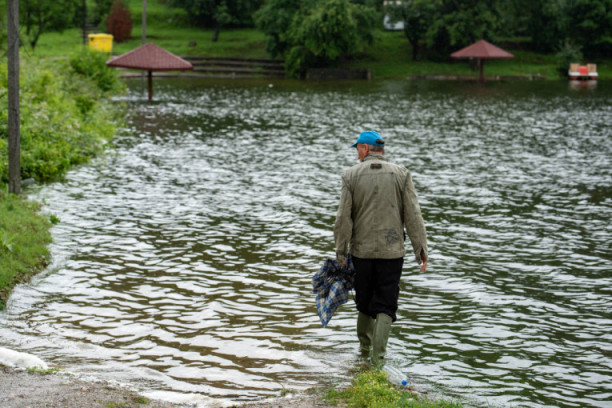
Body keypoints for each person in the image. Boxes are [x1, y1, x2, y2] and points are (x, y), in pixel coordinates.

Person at [334, 130, 428, 367]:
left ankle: (364, 354)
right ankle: (378, 362)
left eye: (358, 148)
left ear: (365, 149)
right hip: (392, 251)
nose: (357, 154)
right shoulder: (402, 174)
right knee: (386, 303)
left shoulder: (350, 175)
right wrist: (421, 250)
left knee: (364, 301)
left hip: (361, 252)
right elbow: (413, 215)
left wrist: (341, 251)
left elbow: (343, 218)